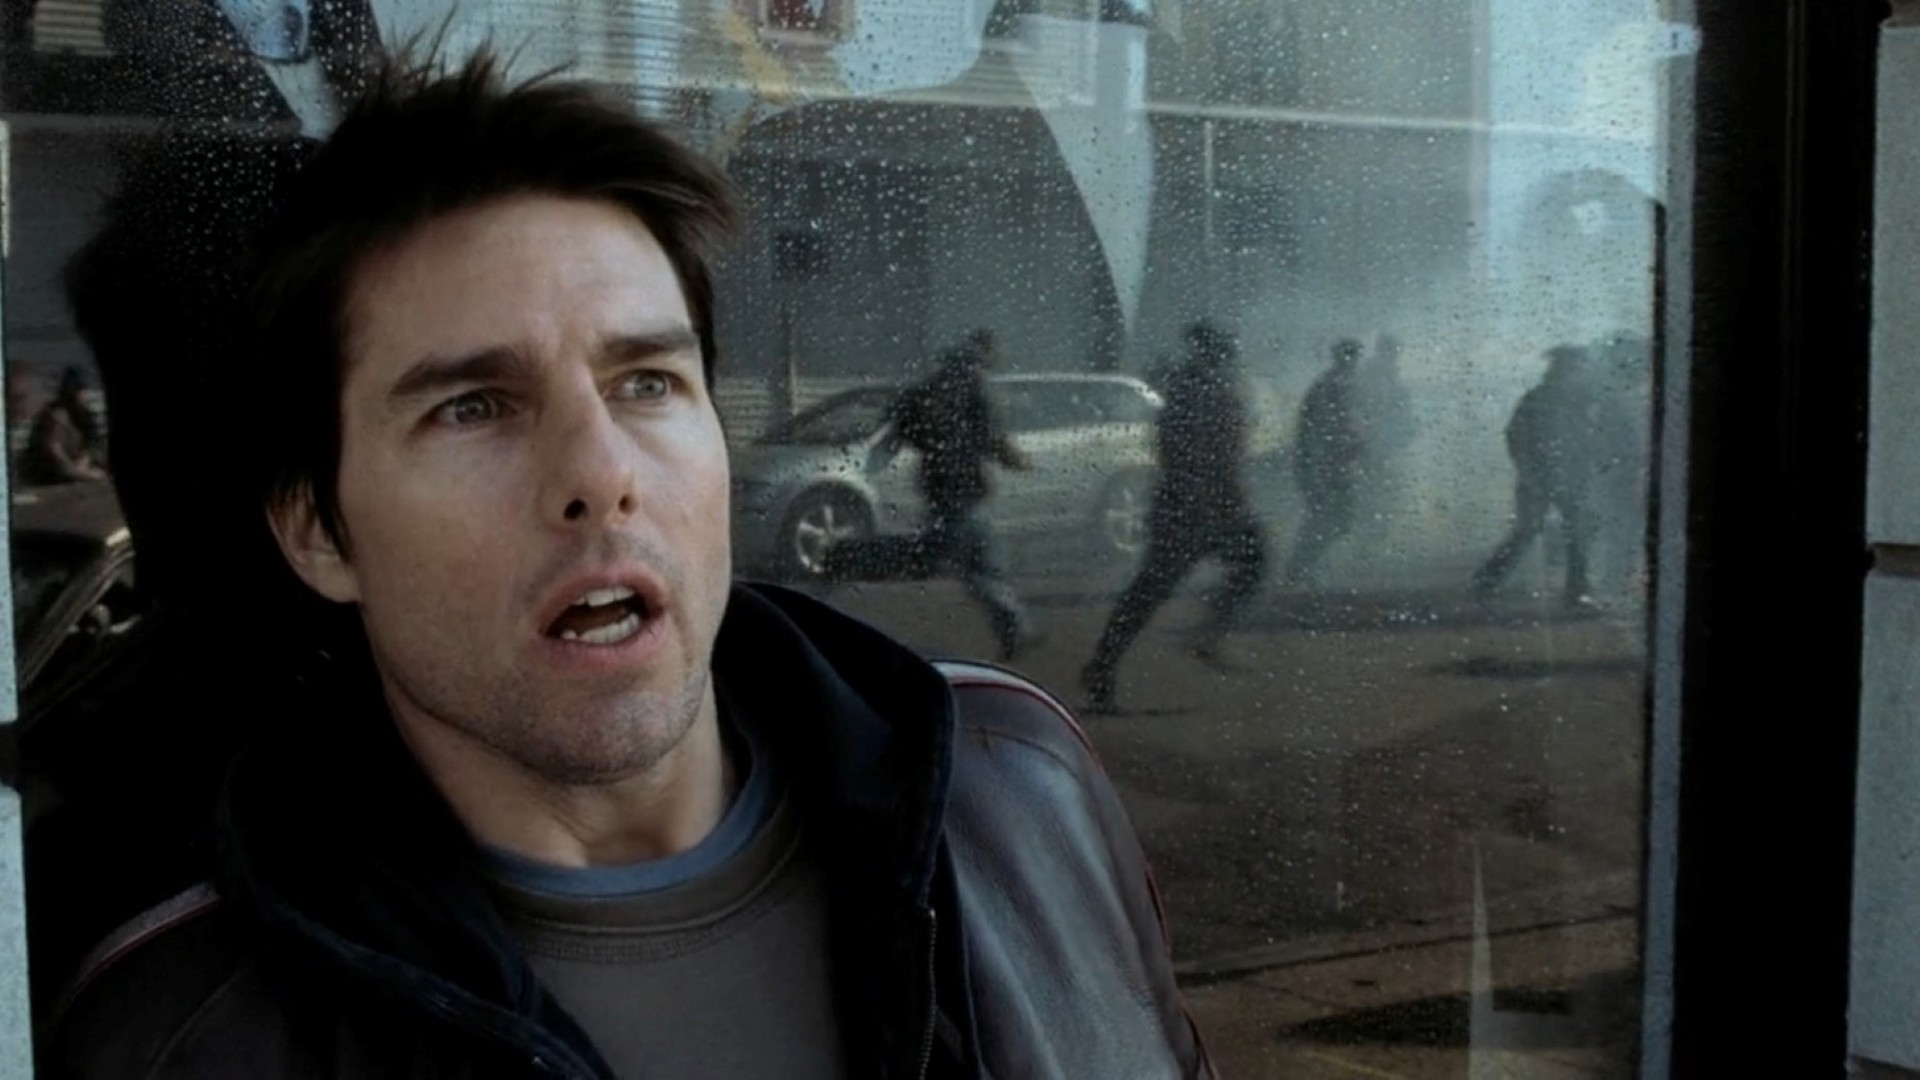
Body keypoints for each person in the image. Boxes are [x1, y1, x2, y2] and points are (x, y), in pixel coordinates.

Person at [42, 51, 1214, 1080]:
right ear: (318, 532)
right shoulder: (186, 1031)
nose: (600, 472)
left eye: (646, 382)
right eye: (472, 407)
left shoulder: (1015, 789)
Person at [1081, 320, 1268, 713]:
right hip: (1193, 507)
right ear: (1214, 353)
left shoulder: (1203, 386)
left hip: (1203, 504)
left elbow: (1219, 447)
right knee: (1151, 590)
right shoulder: (1198, 389)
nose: (1231, 358)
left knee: (1245, 563)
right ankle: (1104, 665)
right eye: (1224, 351)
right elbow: (1193, 450)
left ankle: (1200, 638)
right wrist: (1212, 496)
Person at [881, 328, 1039, 660]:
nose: (1001, 357)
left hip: (939, 485)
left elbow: (903, 426)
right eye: (997, 350)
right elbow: (994, 439)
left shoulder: (933, 384)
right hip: (966, 487)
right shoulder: (975, 387)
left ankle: (1015, 627)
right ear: (986, 351)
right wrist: (1021, 462)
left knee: (979, 560)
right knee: (970, 563)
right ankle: (1015, 625)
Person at [1471, 344, 1606, 610]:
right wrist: (1528, 471)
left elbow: (1590, 438)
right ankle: (1487, 580)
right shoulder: (1539, 399)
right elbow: (1515, 435)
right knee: (1531, 531)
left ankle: (1577, 590)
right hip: (1543, 477)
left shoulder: (1579, 401)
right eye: (1574, 367)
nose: (1578, 373)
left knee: (1573, 532)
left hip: (1568, 476)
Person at [1282, 338, 1366, 590]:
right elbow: (1322, 429)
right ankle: (1298, 568)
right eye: (1349, 356)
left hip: (1329, 465)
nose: (1352, 361)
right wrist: (1344, 449)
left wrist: (1354, 445)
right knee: (1329, 517)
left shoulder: (1339, 385)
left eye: (1354, 356)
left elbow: (1344, 426)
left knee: (1335, 518)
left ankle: (1300, 567)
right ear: (1340, 358)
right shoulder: (1329, 387)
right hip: (1319, 465)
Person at [20, 366, 107, 486]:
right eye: (82, 392)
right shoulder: (55, 414)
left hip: (75, 464)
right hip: (49, 470)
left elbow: (91, 439)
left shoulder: (83, 414)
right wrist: (75, 471)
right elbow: (53, 450)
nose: (85, 396)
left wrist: (84, 461)